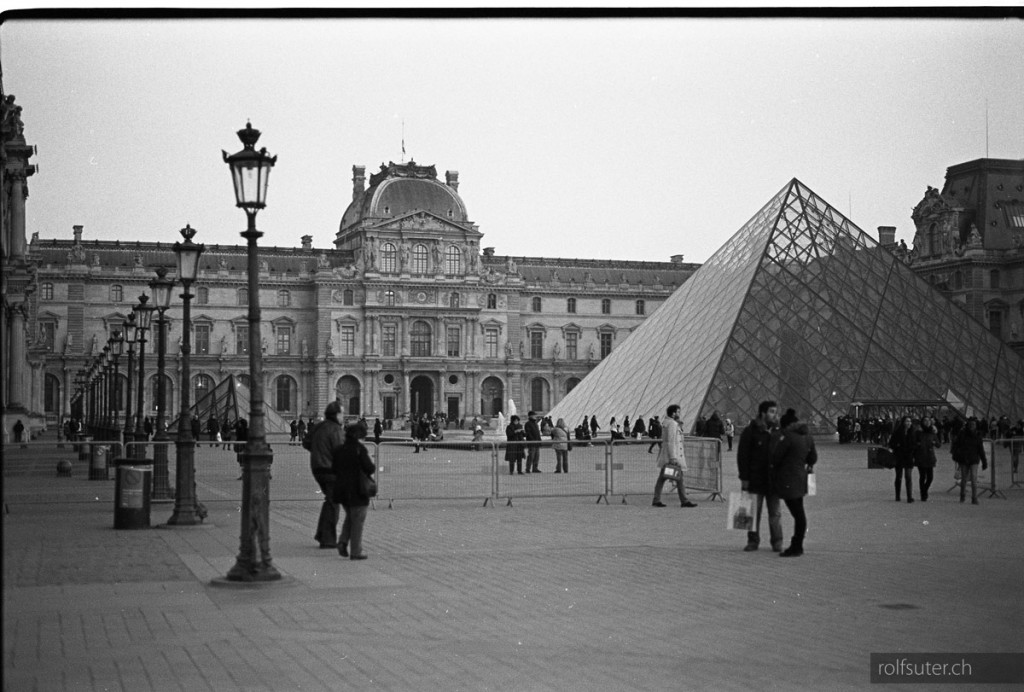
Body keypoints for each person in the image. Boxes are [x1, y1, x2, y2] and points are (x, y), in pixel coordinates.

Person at [737, 400, 783, 552]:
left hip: (774, 480)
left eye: (775, 412)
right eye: (771, 411)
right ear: (763, 413)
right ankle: (753, 541)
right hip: (755, 479)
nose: (775, 415)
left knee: (775, 514)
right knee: (753, 513)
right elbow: (742, 457)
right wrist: (744, 479)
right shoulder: (750, 431)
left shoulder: (779, 432)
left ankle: (777, 542)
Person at [770, 409, 817, 557]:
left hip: (788, 480)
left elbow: (776, 458)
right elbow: (813, 458)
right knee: (799, 512)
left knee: (798, 514)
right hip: (801, 479)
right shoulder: (808, 437)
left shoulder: (788, 438)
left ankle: (796, 546)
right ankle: (798, 544)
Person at [331, 421, 375, 560]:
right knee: (358, 521)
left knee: (350, 517)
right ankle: (356, 551)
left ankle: (343, 541)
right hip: (358, 489)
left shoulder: (339, 449)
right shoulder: (359, 449)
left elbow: (333, 469)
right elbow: (370, 468)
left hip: (342, 490)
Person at [304, 401, 344, 549]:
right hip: (331, 470)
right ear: (336, 415)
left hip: (318, 468)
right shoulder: (335, 429)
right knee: (334, 503)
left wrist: (318, 453)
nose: (343, 417)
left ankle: (322, 534)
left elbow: (306, 442)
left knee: (330, 501)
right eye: (341, 413)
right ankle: (327, 539)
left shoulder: (318, 426)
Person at [652, 404, 698, 508]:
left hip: (669, 456)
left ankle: (658, 499)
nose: (679, 414)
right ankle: (683, 501)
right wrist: (673, 457)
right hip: (672, 457)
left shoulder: (667, 423)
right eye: (678, 412)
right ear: (673, 413)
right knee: (673, 478)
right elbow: (671, 441)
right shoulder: (672, 424)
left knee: (667, 478)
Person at [951, 417, 987, 505]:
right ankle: (962, 495)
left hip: (974, 459)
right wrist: (956, 455)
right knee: (964, 479)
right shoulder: (962, 434)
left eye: (973, 424)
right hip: (964, 459)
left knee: (974, 479)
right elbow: (956, 445)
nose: (972, 426)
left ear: (976, 426)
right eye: (970, 424)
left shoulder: (978, 435)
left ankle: (974, 498)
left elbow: (981, 449)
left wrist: (984, 461)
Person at [888, 416, 917, 503]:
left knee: (908, 477)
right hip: (899, 456)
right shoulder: (897, 432)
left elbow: (915, 444)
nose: (909, 423)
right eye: (907, 421)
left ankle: (909, 496)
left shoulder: (913, 432)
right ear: (903, 422)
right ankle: (897, 495)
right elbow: (891, 443)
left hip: (908, 456)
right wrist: (898, 446)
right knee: (899, 477)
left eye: (910, 421)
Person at [915, 416, 940, 502]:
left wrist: (934, 442)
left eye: (928, 421)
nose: (927, 422)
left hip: (930, 457)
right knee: (922, 476)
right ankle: (923, 494)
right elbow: (914, 443)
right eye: (925, 421)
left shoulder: (932, 433)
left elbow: (938, 444)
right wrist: (917, 444)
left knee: (930, 477)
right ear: (922, 422)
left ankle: (924, 490)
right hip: (921, 457)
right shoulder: (918, 433)